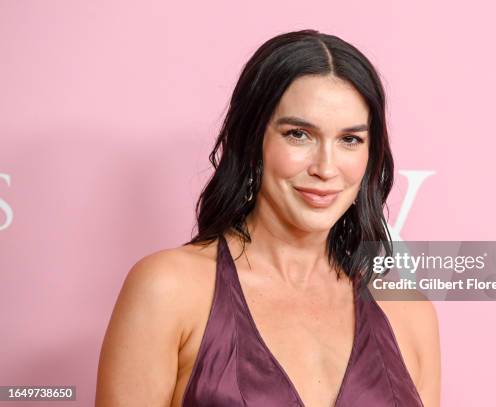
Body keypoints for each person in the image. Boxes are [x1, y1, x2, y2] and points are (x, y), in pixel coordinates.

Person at [96, 29, 440, 407]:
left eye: (350, 139)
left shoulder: (408, 312)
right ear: (252, 141)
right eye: (298, 134)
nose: (326, 168)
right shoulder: (169, 289)